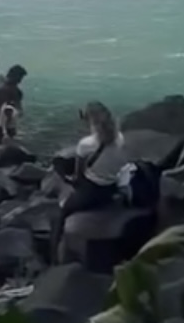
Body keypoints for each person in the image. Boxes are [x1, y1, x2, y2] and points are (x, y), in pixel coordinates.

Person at [50, 102, 127, 262]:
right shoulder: (120, 138)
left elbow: (79, 175)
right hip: (111, 187)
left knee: (62, 213)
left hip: (93, 191)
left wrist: (69, 180)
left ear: (90, 120)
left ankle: (53, 255)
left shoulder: (86, 144)